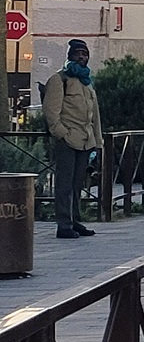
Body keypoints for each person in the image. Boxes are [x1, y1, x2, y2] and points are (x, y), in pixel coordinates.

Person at [43, 39, 102, 239]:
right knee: (64, 184)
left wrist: (98, 142)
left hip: (86, 140)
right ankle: (64, 224)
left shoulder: (87, 83)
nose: (82, 57)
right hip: (68, 139)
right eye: (78, 54)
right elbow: (52, 111)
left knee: (78, 184)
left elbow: (96, 116)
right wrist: (62, 134)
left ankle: (75, 220)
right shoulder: (59, 80)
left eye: (84, 54)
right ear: (70, 56)